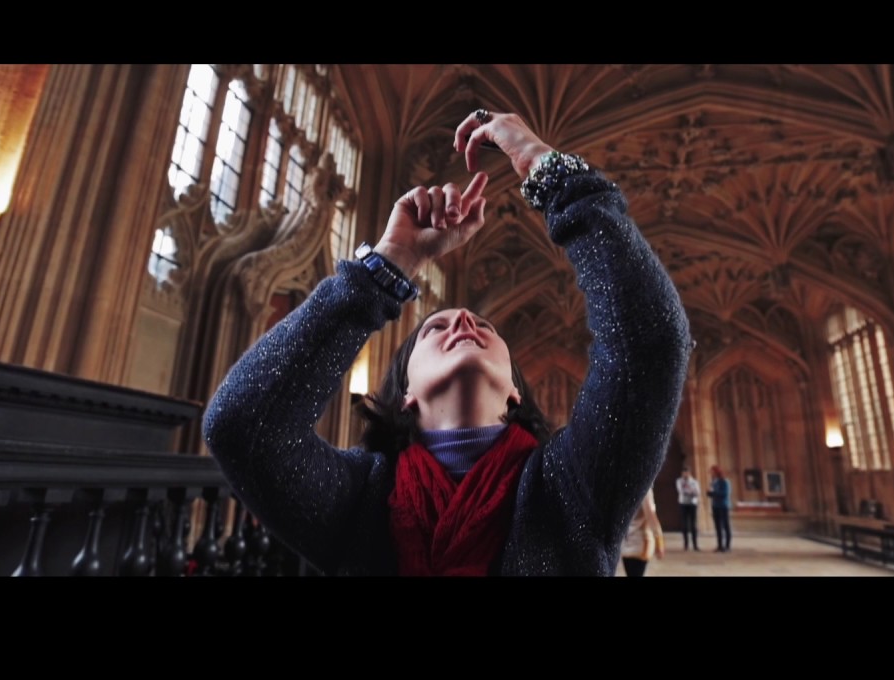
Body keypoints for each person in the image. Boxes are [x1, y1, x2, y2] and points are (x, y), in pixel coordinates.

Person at [202, 109, 692, 575]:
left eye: (485, 328)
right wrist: (389, 262)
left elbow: (649, 343)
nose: (461, 320)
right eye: (435, 327)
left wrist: (547, 168)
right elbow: (242, 426)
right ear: (406, 393)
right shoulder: (360, 498)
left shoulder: (568, 485)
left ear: (515, 392)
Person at [619, 488, 665, 577]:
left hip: (626, 543)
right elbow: (651, 516)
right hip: (640, 543)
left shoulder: (625, 487)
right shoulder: (645, 489)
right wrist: (659, 542)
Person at [706, 465, 732, 552]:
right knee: (718, 527)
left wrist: (713, 493)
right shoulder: (714, 482)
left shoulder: (724, 481)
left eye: (712, 472)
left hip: (723, 506)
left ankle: (727, 546)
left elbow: (724, 493)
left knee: (725, 526)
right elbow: (710, 494)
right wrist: (709, 492)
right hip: (715, 506)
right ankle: (720, 545)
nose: (711, 474)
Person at [675, 468, 700, 551]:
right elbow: (681, 491)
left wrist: (690, 490)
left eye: (686, 473)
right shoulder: (679, 481)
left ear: (689, 473)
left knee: (693, 525)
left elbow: (697, 492)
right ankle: (686, 545)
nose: (685, 475)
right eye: (683, 473)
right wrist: (690, 491)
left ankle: (695, 545)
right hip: (683, 504)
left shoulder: (694, 482)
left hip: (693, 504)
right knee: (684, 524)